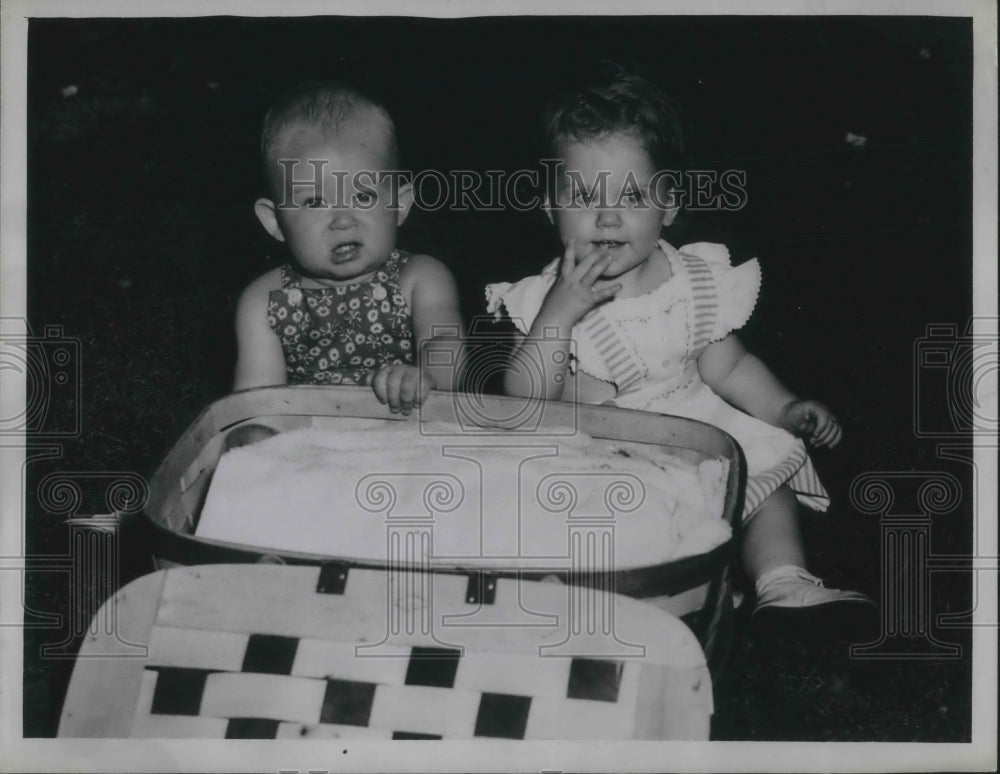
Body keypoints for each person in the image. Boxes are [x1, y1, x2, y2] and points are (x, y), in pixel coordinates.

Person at [485, 63, 876, 639]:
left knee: (767, 488)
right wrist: (560, 315)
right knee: (612, 524)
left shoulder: (693, 276)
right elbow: (521, 399)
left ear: (668, 205)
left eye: (632, 195)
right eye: (584, 196)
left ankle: (781, 582)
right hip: (613, 450)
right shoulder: (543, 300)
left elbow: (731, 365)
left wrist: (787, 408)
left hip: (699, 424)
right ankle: (636, 606)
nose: (609, 215)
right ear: (549, 207)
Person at [234, 80, 463, 414]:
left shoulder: (420, 278)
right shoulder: (263, 302)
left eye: (363, 196)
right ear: (274, 221)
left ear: (399, 204)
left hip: (408, 430)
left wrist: (426, 376)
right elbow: (256, 404)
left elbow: (447, 345)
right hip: (310, 444)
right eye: (314, 201)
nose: (342, 220)